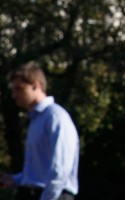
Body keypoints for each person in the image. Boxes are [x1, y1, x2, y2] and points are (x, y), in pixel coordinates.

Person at [1, 63, 79, 200]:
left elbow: (60, 171)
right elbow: (39, 171)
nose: (14, 95)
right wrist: (16, 180)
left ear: (36, 85)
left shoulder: (55, 117)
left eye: (19, 89)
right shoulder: (36, 119)